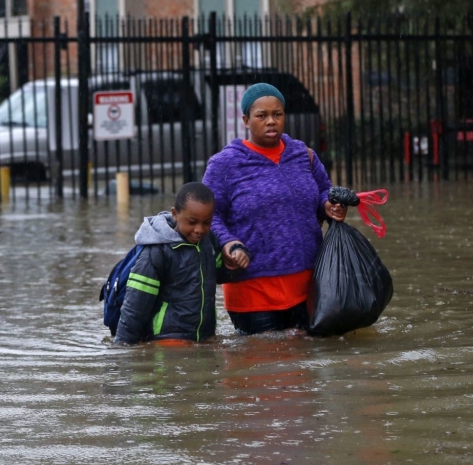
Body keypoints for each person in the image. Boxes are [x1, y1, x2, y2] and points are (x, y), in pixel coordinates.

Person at [202, 82, 347, 335]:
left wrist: (330, 206)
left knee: (306, 369)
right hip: (253, 294)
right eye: (262, 116)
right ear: (246, 120)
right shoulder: (225, 164)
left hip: (310, 289)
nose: (271, 121)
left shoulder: (304, 155)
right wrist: (228, 243)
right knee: (266, 369)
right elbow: (209, 215)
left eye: (277, 114)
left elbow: (324, 191)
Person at [114, 182, 222, 345]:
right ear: (175, 214)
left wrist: (235, 257)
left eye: (206, 222)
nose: (199, 229)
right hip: (167, 339)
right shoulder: (156, 251)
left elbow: (221, 274)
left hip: (204, 337)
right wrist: (123, 345)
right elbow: (135, 306)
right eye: (192, 222)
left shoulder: (208, 242)